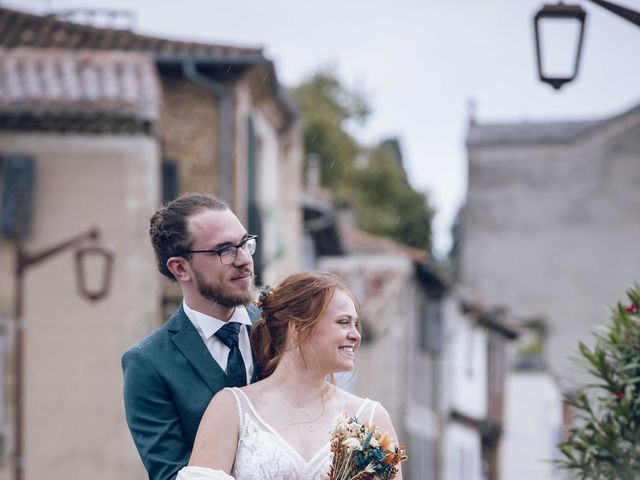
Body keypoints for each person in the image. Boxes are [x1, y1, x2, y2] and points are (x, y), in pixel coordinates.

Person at [176, 272, 404, 480]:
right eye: (343, 322)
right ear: (297, 328)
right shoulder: (232, 409)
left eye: (356, 324)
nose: (355, 335)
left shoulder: (372, 419)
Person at [122, 193, 260, 480]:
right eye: (225, 250)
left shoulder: (282, 329)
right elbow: (171, 474)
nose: (244, 260)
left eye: (245, 244)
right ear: (180, 268)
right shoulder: (147, 363)